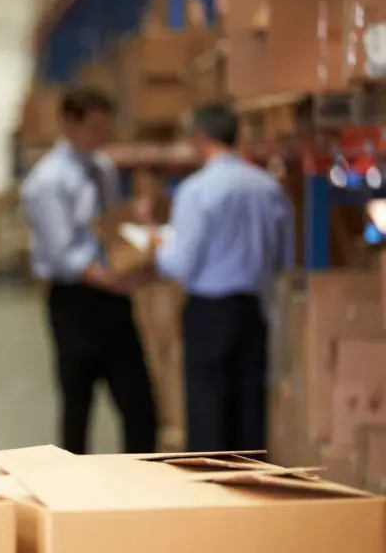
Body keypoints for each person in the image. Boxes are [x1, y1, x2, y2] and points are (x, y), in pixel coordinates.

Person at [21, 87, 158, 455]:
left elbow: (108, 228)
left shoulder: (103, 168)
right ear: (69, 123)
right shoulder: (48, 180)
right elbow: (63, 254)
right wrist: (109, 280)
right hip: (75, 300)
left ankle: (142, 482)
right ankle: (73, 488)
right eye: (94, 127)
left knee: (139, 402)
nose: (101, 136)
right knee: (78, 401)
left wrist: (136, 241)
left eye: (105, 127)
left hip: (112, 297)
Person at [154, 103, 295, 453]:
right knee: (250, 411)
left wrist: (157, 246)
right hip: (253, 310)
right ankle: (253, 492)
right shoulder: (268, 188)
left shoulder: (196, 190)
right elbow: (285, 257)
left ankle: (214, 496)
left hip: (209, 312)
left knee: (208, 414)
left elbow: (180, 262)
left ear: (200, 138)